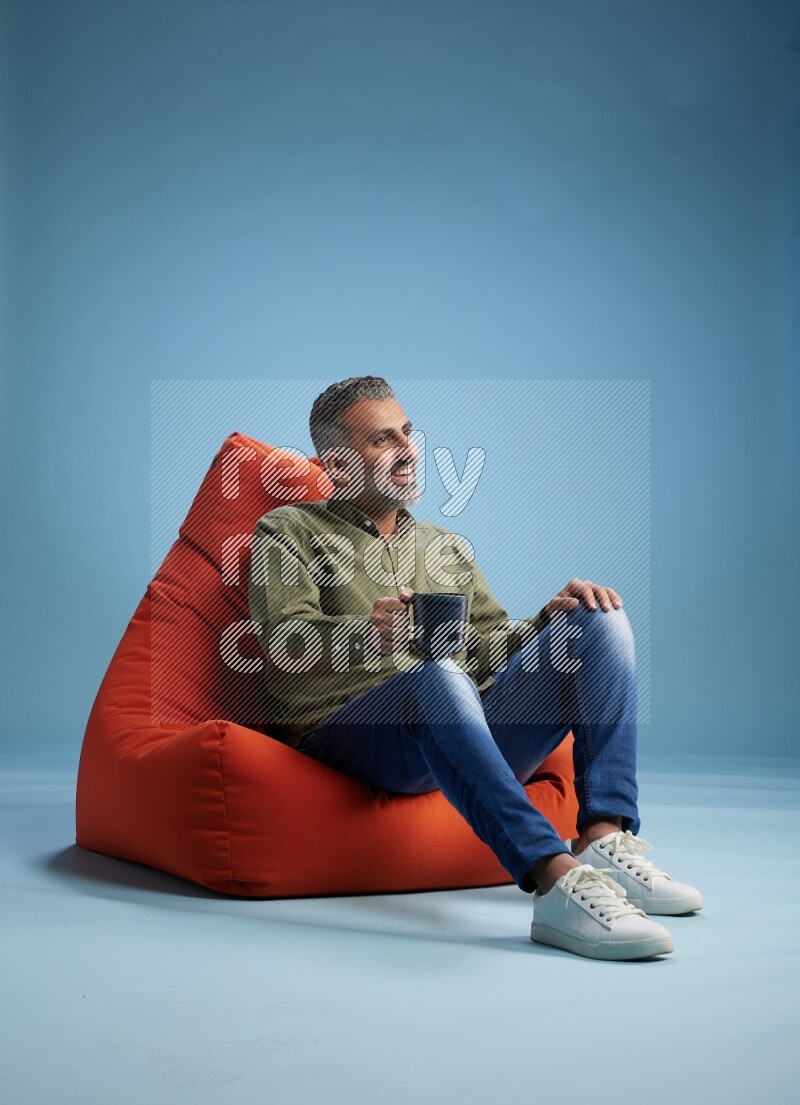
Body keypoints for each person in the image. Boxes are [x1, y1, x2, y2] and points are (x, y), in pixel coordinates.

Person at [247, 376, 703, 961]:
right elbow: (285, 650)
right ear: (335, 461)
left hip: (456, 728)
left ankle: (603, 836)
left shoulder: (446, 547)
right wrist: (372, 635)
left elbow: (489, 646)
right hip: (355, 740)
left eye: (408, 433)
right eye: (382, 441)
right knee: (437, 676)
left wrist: (548, 620)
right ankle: (556, 881)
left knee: (601, 621)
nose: (409, 451)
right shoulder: (288, 531)